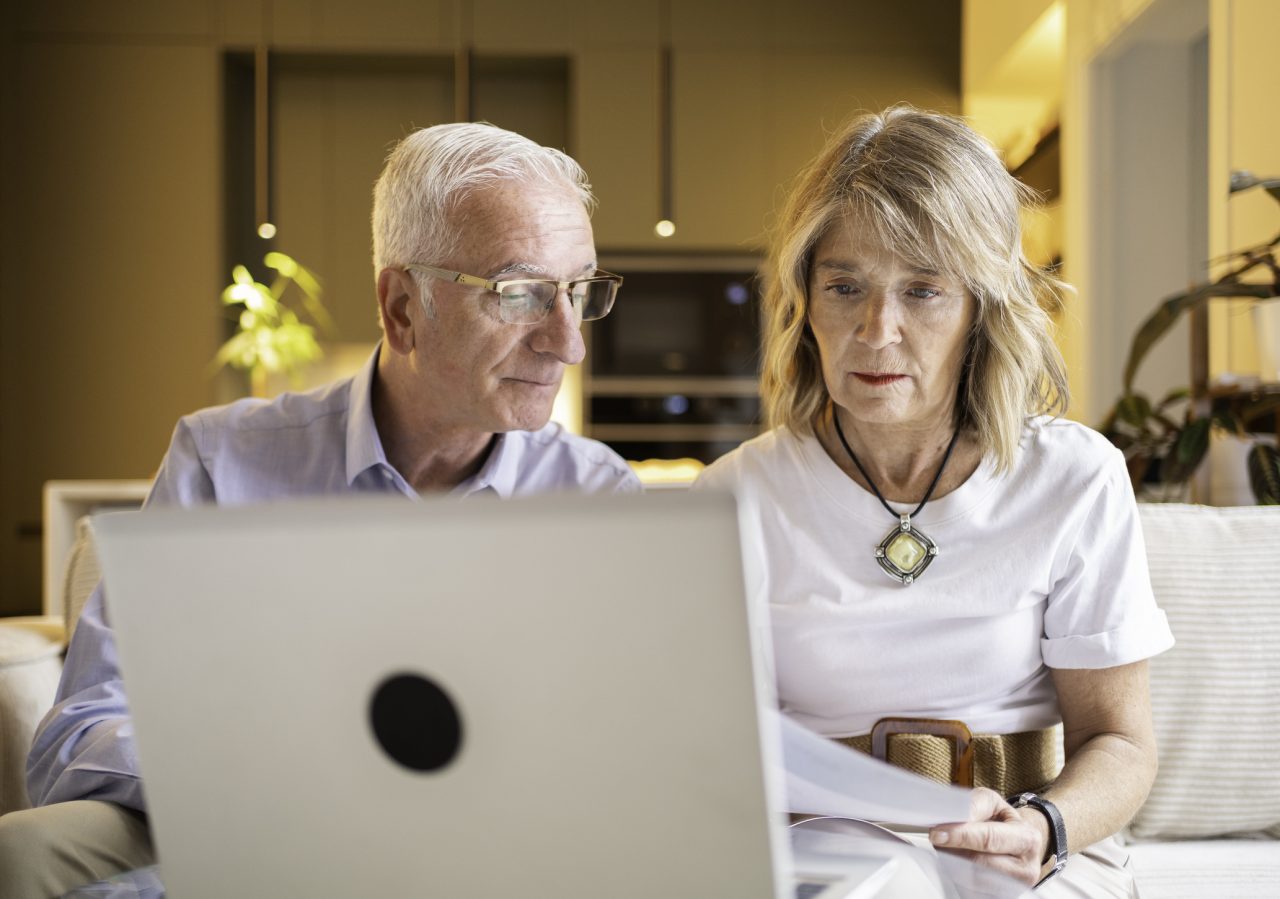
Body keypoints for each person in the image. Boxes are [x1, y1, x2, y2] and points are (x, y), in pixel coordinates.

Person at [0, 122, 640, 897]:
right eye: (522, 293)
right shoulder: (222, 462)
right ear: (402, 306)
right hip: (255, 838)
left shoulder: (597, 498)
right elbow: (80, 729)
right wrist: (264, 790)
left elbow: (626, 757)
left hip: (495, 859)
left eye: (580, 292)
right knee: (26, 854)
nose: (568, 342)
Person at [695, 106, 1173, 897]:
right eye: (845, 285)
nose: (877, 331)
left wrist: (1045, 828)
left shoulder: (1076, 477)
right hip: (827, 844)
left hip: (1030, 836)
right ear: (803, 300)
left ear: (981, 308)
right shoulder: (736, 497)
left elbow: (1120, 741)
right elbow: (712, 752)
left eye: (923, 291)